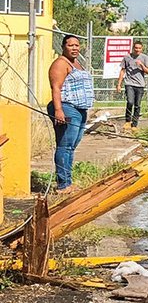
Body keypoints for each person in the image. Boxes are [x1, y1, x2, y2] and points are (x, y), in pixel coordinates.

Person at [47, 33, 95, 191]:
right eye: (70, 45)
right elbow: (56, 88)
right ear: (63, 47)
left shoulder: (76, 63)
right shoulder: (60, 64)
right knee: (65, 146)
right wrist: (58, 110)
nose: (74, 48)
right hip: (67, 108)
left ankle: (68, 181)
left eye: (77, 45)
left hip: (80, 110)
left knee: (71, 147)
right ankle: (63, 184)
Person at [115, 40, 148, 131]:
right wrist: (119, 84)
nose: (137, 50)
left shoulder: (144, 58)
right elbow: (122, 70)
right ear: (133, 48)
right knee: (130, 102)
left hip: (140, 85)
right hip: (129, 83)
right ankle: (128, 121)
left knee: (137, 105)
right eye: (136, 48)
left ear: (142, 49)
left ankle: (134, 125)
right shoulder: (127, 57)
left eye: (139, 48)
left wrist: (142, 65)